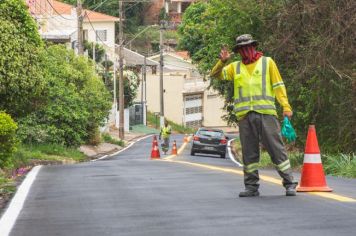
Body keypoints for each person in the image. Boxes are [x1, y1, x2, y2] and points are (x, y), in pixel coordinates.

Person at [210, 34, 298, 197]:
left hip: (266, 114)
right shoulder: (235, 67)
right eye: (241, 49)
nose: (245, 51)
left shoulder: (267, 63)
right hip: (245, 117)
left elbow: (278, 86)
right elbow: (215, 75)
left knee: (276, 148)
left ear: (254, 47)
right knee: (249, 153)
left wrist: (286, 106)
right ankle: (251, 186)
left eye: (248, 47)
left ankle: (290, 183)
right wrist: (222, 61)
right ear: (238, 51)